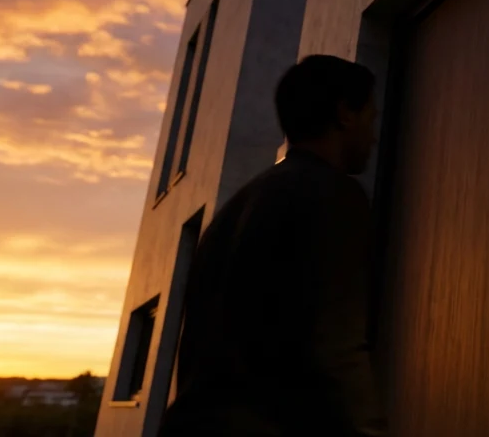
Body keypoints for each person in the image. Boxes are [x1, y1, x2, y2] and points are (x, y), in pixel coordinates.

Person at [160, 55, 386, 436]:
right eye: (370, 117)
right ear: (345, 114)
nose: (373, 135)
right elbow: (335, 345)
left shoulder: (232, 212)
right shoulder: (331, 195)